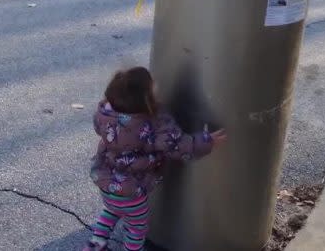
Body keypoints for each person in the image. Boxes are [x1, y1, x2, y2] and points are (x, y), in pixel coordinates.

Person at [83, 67, 226, 251]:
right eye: (153, 85)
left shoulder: (105, 115)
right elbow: (178, 146)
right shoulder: (154, 123)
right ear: (146, 99)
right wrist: (207, 141)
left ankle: (95, 244)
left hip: (106, 184)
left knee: (111, 211)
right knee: (137, 228)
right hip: (132, 192)